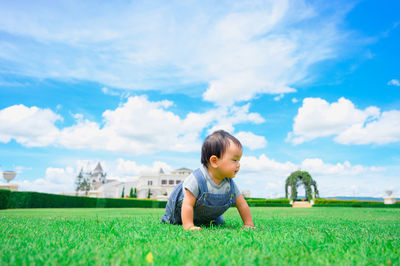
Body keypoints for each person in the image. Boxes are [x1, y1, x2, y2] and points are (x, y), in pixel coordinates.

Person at [161, 130, 255, 230]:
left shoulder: (229, 184)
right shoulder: (197, 179)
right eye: (234, 160)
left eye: (239, 160)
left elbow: (242, 204)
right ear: (214, 161)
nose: (238, 165)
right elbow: (187, 204)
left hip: (205, 216)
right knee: (173, 220)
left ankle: (205, 220)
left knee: (219, 222)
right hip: (179, 214)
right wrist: (189, 226)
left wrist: (248, 224)